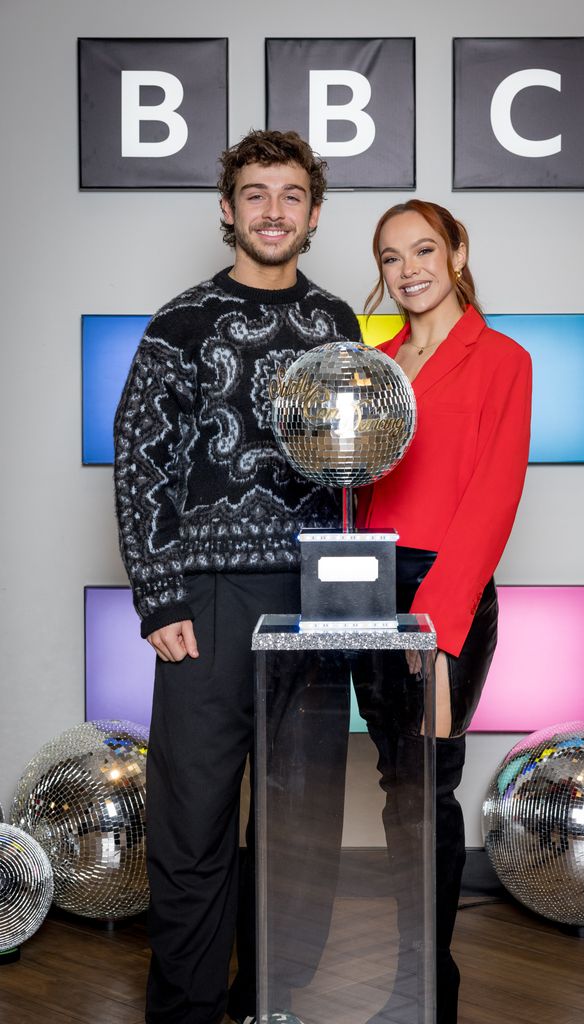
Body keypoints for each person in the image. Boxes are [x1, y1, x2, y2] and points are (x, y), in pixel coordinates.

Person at [114, 129, 360, 1024]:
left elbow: (357, 463)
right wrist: (158, 596)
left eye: (289, 195)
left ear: (313, 214)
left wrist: (359, 600)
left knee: (299, 826)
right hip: (206, 605)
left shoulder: (336, 322)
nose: (271, 211)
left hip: (314, 598)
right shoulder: (178, 322)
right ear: (227, 209)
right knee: (191, 821)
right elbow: (139, 461)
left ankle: (271, 1000)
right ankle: (184, 1007)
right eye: (254, 194)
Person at [354, 199, 532, 1024]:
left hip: (445, 591)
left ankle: (430, 987)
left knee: (429, 788)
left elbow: (492, 500)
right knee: (397, 787)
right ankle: (408, 975)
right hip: (367, 588)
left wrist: (434, 624)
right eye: (391, 257)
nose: (409, 269)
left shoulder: (502, 359)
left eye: (423, 249)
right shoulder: (373, 363)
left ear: (457, 251)